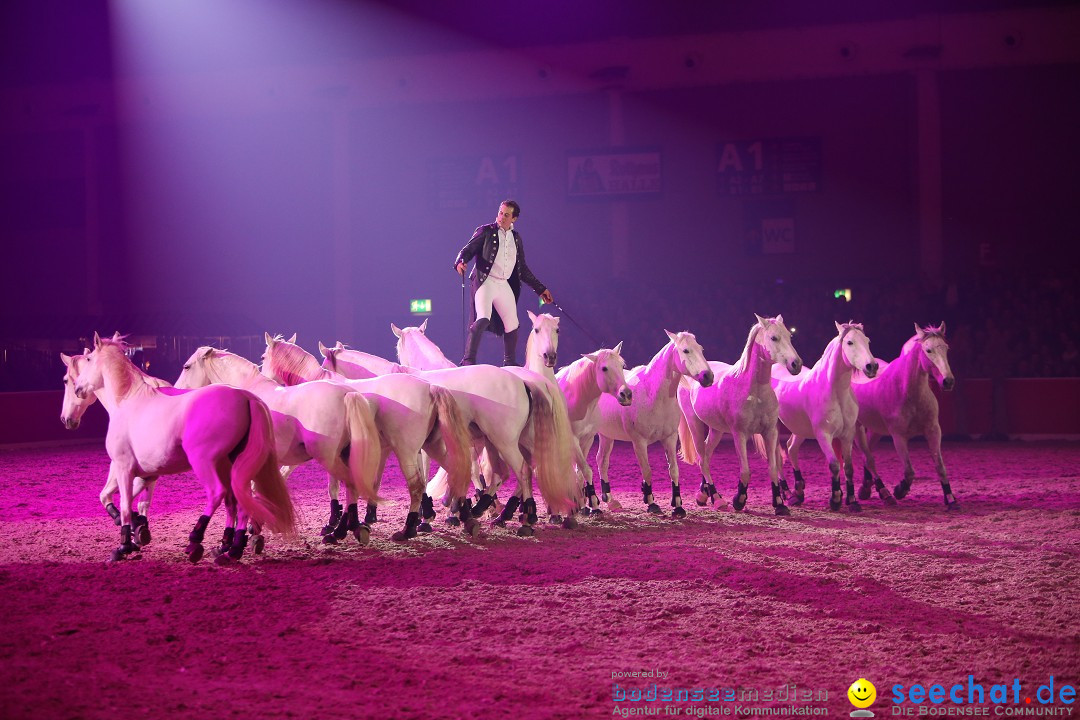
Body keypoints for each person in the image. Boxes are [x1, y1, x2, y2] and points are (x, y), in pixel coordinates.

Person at [455, 200, 553, 365]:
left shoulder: (516, 238)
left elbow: (522, 268)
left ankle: (510, 362)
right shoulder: (486, 231)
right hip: (486, 281)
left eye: (506, 215)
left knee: (512, 324)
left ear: (514, 218)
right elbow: (467, 249)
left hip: (503, 284)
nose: (501, 217)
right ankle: (468, 360)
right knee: (483, 317)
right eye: (500, 213)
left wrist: (541, 289)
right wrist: (460, 261)